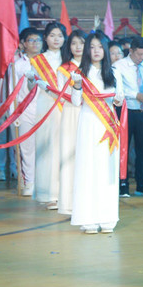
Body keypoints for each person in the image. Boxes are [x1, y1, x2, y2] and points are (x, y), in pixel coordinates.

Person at [69, 31, 124, 233]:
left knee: (107, 169)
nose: (96, 51)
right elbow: (75, 102)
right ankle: (88, 218)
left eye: (99, 47)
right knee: (88, 168)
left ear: (105, 49)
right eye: (91, 47)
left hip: (108, 124)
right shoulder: (79, 72)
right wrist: (76, 86)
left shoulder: (114, 72)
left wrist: (119, 100)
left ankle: (107, 217)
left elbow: (120, 98)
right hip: (88, 123)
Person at [113, 36, 143, 196]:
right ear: (131, 51)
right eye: (138, 54)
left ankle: (142, 184)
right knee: (123, 149)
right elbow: (117, 90)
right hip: (126, 112)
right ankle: (123, 184)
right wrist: (135, 95)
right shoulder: (118, 66)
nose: (141, 58)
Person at [29, 22, 68, 209]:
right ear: (46, 38)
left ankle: (67, 192)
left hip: (68, 106)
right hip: (47, 107)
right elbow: (32, 88)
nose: (56, 39)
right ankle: (50, 194)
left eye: (59, 35)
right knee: (49, 148)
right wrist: (31, 80)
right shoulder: (38, 60)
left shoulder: (69, 59)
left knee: (66, 147)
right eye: (52, 35)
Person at [11, 28, 42, 195]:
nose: (35, 43)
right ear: (23, 43)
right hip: (24, 110)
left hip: (45, 109)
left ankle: (44, 181)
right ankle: (29, 182)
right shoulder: (18, 65)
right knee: (27, 148)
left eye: (38, 40)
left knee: (44, 148)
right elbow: (12, 91)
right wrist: (13, 114)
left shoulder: (47, 64)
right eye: (31, 40)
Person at [57, 29, 86, 214]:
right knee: (70, 155)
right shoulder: (64, 69)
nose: (77, 47)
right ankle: (68, 202)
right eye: (74, 43)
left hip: (90, 113)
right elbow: (62, 94)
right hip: (71, 113)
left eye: (81, 43)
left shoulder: (93, 67)